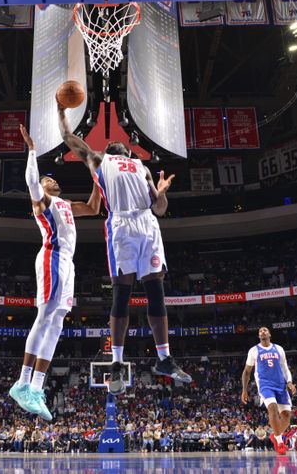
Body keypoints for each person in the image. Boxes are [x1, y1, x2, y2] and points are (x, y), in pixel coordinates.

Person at [57, 101, 191, 393]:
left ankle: (164, 358)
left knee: (155, 291)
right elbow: (69, 140)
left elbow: (160, 208)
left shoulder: (141, 168)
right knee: (123, 294)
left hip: (146, 225)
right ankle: (116, 362)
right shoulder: (100, 160)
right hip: (123, 226)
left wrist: (162, 191)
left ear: (128, 152)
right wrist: (61, 113)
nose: (119, 143)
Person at [9, 124, 101, 420]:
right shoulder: (43, 202)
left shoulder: (66, 204)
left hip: (68, 264)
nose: (52, 179)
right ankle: (22, 382)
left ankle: (36, 388)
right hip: (52, 258)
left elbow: (93, 208)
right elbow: (32, 182)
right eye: (48, 178)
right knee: (45, 315)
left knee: (58, 321)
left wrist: (96, 175)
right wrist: (32, 149)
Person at [241, 327, 297, 456]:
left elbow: (285, 367)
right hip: (265, 385)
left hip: (281, 384)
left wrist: (289, 382)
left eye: (265, 330)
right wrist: (244, 390)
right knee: (272, 408)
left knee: (287, 416)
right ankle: (280, 441)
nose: (262, 331)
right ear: (259, 336)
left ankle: (275, 435)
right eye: (260, 331)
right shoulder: (254, 350)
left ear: (269, 334)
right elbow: (247, 372)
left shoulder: (279, 349)